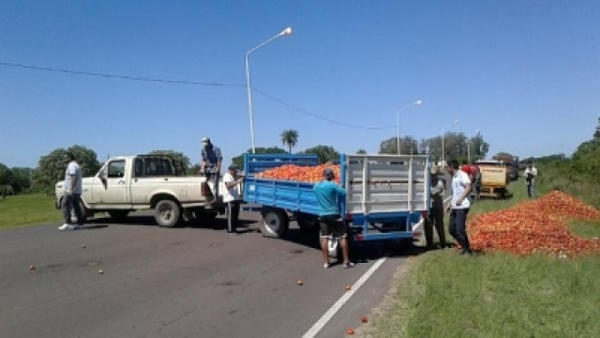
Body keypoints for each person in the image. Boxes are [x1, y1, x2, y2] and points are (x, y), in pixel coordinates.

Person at [313, 168, 354, 269]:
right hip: (334, 214)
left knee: (324, 237)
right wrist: (338, 185)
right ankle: (346, 261)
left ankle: (326, 262)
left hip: (322, 215)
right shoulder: (332, 185)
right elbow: (344, 193)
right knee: (342, 236)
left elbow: (318, 186)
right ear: (331, 176)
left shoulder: (316, 186)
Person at [445, 159, 473, 255]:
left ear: (451, 167)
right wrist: (449, 204)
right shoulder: (453, 177)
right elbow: (454, 194)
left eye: (447, 167)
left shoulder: (462, 175)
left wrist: (461, 198)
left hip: (462, 206)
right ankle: (464, 246)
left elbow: (469, 187)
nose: (446, 169)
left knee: (459, 229)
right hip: (455, 206)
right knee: (451, 229)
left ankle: (466, 249)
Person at [58, 152, 84, 231]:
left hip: (71, 190)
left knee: (65, 203)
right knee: (76, 205)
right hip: (77, 190)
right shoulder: (76, 165)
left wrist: (71, 189)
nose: (64, 159)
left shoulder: (72, 165)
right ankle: (80, 223)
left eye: (65, 158)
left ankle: (68, 222)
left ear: (70, 157)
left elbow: (73, 177)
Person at [424, 165, 447, 249]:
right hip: (429, 207)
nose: (432, 176)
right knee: (428, 225)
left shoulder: (440, 183)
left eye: (434, 174)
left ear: (437, 174)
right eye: (431, 174)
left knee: (439, 225)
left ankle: (443, 243)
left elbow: (433, 193)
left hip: (437, 207)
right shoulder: (427, 182)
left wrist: (427, 192)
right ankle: (429, 244)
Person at [200, 137, 223, 203]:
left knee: (215, 183)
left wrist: (218, 168)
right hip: (207, 167)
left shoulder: (216, 149)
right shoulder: (203, 150)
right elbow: (203, 160)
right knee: (204, 182)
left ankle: (215, 197)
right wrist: (202, 168)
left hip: (214, 166)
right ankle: (207, 196)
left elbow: (219, 159)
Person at [222, 164, 243, 234]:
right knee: (230, 216)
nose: (235, 172)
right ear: (231, 170)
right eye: (234, 170)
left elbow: (241, 176)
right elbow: (228, 186)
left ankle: (234, 229)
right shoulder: (227, 176)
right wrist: (237, 182)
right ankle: (230, 230)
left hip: (235, 198)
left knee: (235, 215)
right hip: (229, 198)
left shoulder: (234, 176)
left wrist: (241, 175)